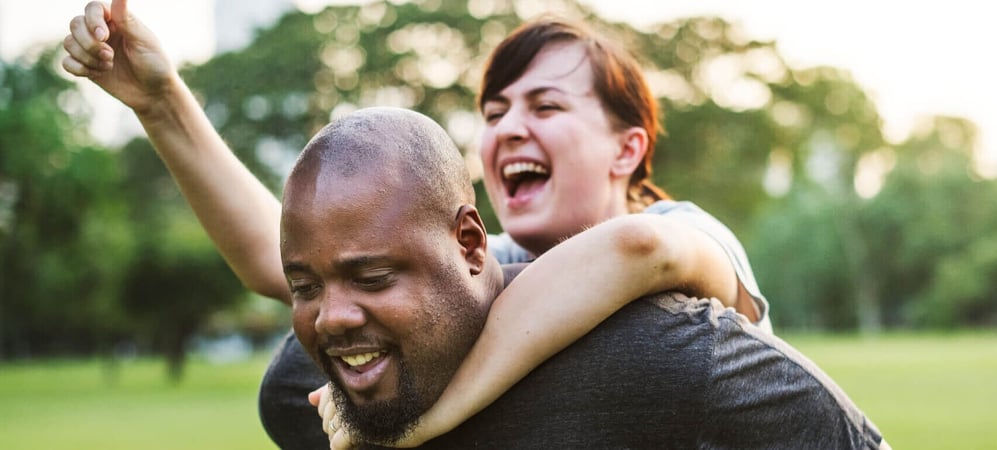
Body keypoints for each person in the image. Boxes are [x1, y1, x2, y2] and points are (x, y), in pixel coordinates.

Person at [63, 1, 771, 447]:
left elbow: (638, 249)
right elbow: (276, 257)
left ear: (629, 148)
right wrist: (160, 102)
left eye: (546, 108)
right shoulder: (485, 266)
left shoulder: (686, 229)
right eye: (494, 115)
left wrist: (416, 426)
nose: (510, 129)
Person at [285, 106, 886, 448]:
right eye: (305, 288)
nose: (332, 316)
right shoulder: (311, 391)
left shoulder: (658, 348)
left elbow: (639, 245)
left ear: (470, 245)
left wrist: (425, 425)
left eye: (374, 276)